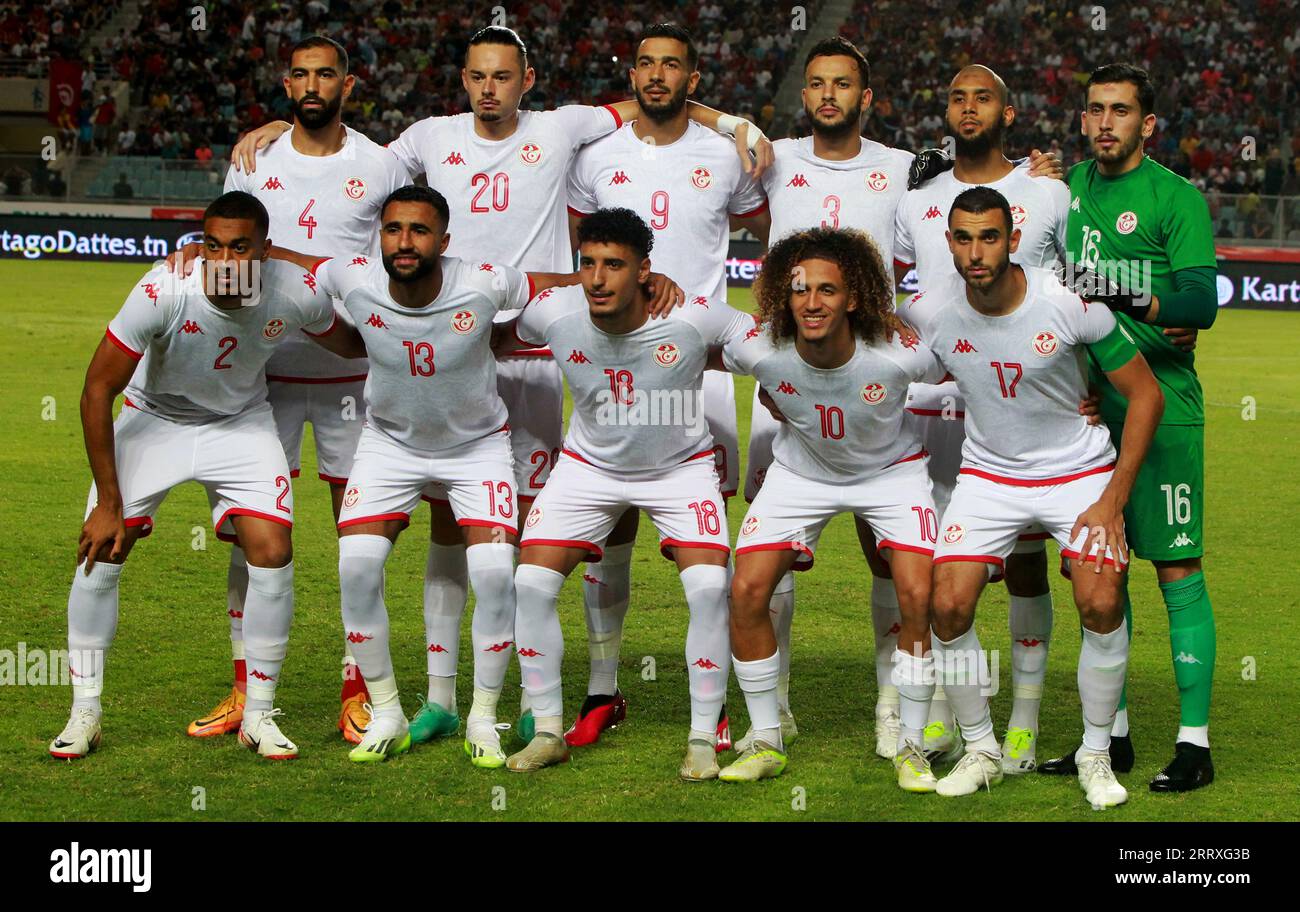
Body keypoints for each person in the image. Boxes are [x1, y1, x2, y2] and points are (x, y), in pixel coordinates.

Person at [229, 25, 767, 746]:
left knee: (550, 527)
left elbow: (654, 96)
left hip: (540, 345)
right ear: (463, 80)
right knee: (456, 527)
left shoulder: (564, 128)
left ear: (528, 79)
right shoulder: (424, 138)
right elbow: (344, 165)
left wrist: (730, 121)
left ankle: (538, 693)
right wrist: (285, 122)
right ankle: (446, 699)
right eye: (478, 75)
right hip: (452, 349)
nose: (490, 88)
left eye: (503, 76)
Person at [49, 191, 359, 761]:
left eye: (241, 247)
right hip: (153, 419)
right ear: (200, 245)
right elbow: (97, 391)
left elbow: (352, 344)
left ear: (265, 251)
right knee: (102, 551)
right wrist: (109, 504)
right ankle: (84, 712)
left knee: (272, 550)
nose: (225, 260)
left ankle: (260, 715)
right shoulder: (164, 288)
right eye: (212, 245)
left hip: (239, 425)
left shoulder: (295, 292)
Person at [904, 186, 1164, 810]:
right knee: (948, 605)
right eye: (963, 239)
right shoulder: (929, 310)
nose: (976, 252)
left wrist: (1110, 501)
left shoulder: (1068, 303)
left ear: (1013, 239)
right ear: (948, 244)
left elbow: (1146, 395)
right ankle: (981, 748)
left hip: (1077, 474)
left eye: (989, 237)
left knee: (1101, 600)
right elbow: (885, 363)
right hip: (989, 477)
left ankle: (1095, 753)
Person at [188, 35, 410, 746]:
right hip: (263, 381)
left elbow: (397, 259)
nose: (314, 85)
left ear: (350, 83)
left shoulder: (384, 163)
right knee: (251, 543)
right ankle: (244, 688)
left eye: (327, 75)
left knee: (359, 540)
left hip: (354, 376)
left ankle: (358, 688)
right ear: (287, 84)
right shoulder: (253, 158)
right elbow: (229, 259)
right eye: (301, 76)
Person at [564, 23, 772, 749]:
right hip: (615, 361)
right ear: (633, 72)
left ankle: (710, 709)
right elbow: (575, 251)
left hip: (700, 369)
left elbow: (774, 222)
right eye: (646, 63)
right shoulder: (595, 155)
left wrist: (734, 121)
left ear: (694, 75)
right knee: (610, 529)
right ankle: (600, 689)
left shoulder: (727, 155)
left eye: (672, 65)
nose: (657, 75)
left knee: (706, 556)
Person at [496, 207, 752, 778]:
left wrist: (779, 388)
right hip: (587, 466)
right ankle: (546, 731)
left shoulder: (689, 315)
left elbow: (748, 336)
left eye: (615, 265)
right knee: (531, 582)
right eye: (587, 263)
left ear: (645, 271)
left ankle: (704, 736)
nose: (597, 278)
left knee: (711, 586)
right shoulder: (556, 312)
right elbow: (495, 336)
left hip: (680, 468)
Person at [1040, 64, 1220, 793]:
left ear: (1148, 125)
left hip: (1164, 409)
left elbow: (1201, 301)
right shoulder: (1063, 190)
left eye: (1120, 111)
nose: (1105, 122)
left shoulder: (1175, 198)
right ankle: (1107, 738)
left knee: (1175, 566)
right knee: (1101, 575)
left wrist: (1117, 293)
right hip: (1084, 413)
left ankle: (1195, 743)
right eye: (1094, 111)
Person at [717, 226, 945, 788]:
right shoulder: (757, 349)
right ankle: (767, 737)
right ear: (782, 295)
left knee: (919, 596)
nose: (812, 303)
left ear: (854, 298)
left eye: (826, 290)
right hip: (802, 473)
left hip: (890, 475)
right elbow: (687, 347)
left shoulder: (900, 354)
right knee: (745, 590)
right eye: (799, 290)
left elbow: (971, 366)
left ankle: (912, 743)